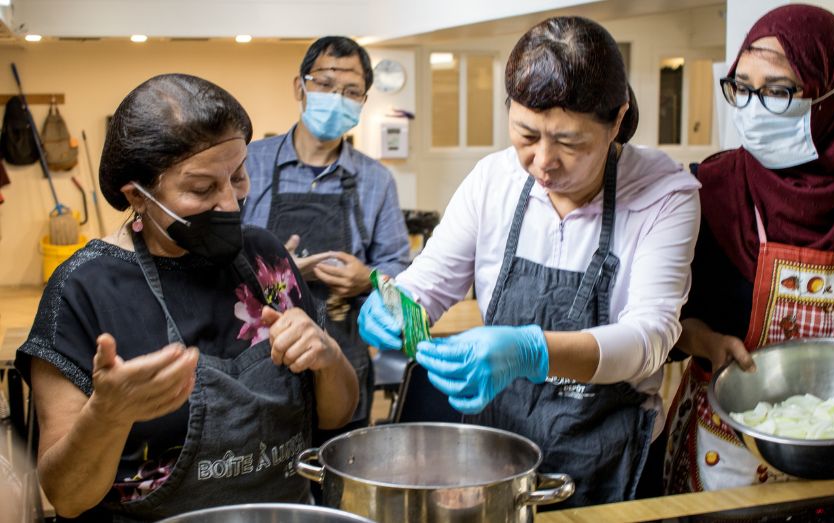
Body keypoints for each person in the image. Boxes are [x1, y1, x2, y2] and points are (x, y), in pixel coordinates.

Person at [359, 16, 701, 508]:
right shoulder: (492, 180)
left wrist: (530, 350)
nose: (543, 161)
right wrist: (400, 305)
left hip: (607, 453)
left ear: (618, 119)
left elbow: (650, 338)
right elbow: (430, 282)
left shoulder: (664, 195)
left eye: (570, 142)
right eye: (526, 135)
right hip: (495, 453)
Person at [15, 74, 358, 521]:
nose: (230, 204)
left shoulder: (265, 260)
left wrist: (328, 357)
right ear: (137, 195)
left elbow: (338, 414)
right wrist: (108, 416)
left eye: (236, 176)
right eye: (201, 189)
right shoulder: (83, 291)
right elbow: (66, 496)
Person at [663, 4, 834, 516]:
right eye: (741, 87)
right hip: (726, 446)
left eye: (778, 90)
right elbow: (663, 319)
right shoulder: (711, 188)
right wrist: (704, 340)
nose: (751, 107)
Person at [242, 36, 409, 436]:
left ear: (362, 102)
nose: (337, 97)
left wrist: (367, 281)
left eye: (351, 91)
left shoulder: (376, 181)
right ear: (300, 87)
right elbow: (211, 258)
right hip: (254, 366)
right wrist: (274, 273)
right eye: (325, 84)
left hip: (343, 367)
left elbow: (403, 290)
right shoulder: (249, 163)